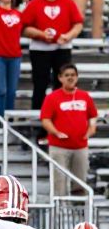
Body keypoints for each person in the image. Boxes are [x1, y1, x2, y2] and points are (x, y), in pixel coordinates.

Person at [22, 0, 83, 110]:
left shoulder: (68, 2)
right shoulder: (35, 3)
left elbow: (78, 24)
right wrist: (41, 34)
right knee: (40, 84)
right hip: (39, 49)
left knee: (61, 84)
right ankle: (38, 116)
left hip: (62, 48)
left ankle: (59, 114)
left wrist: (68, 36)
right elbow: (24, 28)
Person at [40, 63, 98, 198]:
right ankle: (60, 210)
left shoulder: (85, 96)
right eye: (67, 75)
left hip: (80, 146)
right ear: (60, 78)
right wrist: (55, 132)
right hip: (59, 147)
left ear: (77, 77)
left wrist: (91, 129)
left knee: (80, 181)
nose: (70, 78)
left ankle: (79, 211)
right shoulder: (52, 97)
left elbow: (93, 116)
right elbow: (45, 119)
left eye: (73, 75)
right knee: (59, 181)